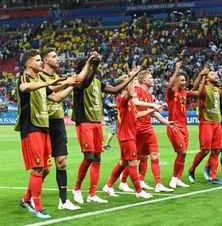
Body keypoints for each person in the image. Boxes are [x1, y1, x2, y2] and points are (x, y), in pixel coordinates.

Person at [72, 52, 139, 204]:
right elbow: (85, 82)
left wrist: (132, 77)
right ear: (85, 67)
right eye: (93, 66)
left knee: (97, 158)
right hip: (84, 121)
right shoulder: (78, 81)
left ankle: (92, 194)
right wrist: (93, 64)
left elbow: (115, 90)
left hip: (96, 122)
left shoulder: (97, 82)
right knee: (88, 157)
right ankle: (77, 188)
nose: (97, 68)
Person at [17, 49, 76, 218]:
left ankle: (27, 199)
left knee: (44, 168)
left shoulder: (41, 82)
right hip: (31, 127)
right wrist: (49, 83)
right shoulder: (25, 78)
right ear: (29, 64)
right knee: (38, 168)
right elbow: (25, 87)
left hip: (44, 127)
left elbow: (56, 97)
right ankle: (37, 208)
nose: (40, 63)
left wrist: (70, 84)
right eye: (37, 60)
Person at [39, 48, 82, 211]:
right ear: (45, 60)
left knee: (62, 162)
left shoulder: (57, 78)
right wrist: (71, 84)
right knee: (45, 168)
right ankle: (29, 196)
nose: (58, 59)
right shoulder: (40, 78)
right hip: (43, 123)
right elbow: (57, 97)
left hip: (57, 123)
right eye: (54, 57)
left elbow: (70, 84)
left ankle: (63, 201)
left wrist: (73, 81)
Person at [102, 72, 157, 199]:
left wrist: (151, 110)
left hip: (129, 135)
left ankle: (108, 186)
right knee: (133, 163)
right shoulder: (122, 98)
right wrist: (133, 77)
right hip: (126, 136)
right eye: (129, 82)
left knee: (124, 163)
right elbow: (131, 94)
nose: (133, 83)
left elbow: (136, 115)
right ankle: (139, 191)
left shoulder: (129, 101)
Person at [135, 70, 176, 192]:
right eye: (150, 77)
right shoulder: (137, 91)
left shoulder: (148, 95)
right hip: (137, 130)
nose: (153, 79)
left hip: (148, 128)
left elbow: (154, 113)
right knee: (132, 159)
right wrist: (153, 106)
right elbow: (136, 103)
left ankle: (158, 184)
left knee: (154, 155)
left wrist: (167, 122)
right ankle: (120, 182)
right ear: (143, 80)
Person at [166, 61, 205, 188]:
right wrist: (176, 70)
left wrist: (202, 78)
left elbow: (198, 93)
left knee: (183, 153)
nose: (184, 82)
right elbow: (169, 86)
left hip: (184, 127)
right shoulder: (171, 93)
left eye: (185, 80)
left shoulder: (184, 93)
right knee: (181, 152)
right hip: (174, 126)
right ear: (176, 81)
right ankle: (173, 178)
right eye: (182, 80)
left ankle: (178, 179)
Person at [188, 69, 222, 184]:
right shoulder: (203, 89)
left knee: (216, 150)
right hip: (206, 122)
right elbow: (196, 90)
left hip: (217, 122)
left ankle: (213, 177)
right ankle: (191, 169)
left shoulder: (217, 90)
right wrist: (201, 76)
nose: (216, 75)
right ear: (207, 78)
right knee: (205, 151)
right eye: (213, 74)